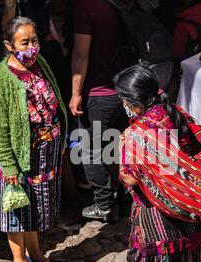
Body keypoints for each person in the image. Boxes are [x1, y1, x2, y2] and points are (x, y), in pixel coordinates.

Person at [114, 64, 201, 262]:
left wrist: (122, 145)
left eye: (123, 100)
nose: (123, 106)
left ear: (133, 101)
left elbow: (129, 176)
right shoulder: (172, 112)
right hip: (189, 213)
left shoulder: (141, 131)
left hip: (159, 223)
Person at [0, 17, 68, 262]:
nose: (32, 46)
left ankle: (36, 253)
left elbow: (53, 95)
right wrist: (8, 166)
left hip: (46, 149)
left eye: (35, 40)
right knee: (18, 207)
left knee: (36, 205)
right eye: (25, 42)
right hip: (20, 155)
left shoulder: (38, 63)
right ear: (9, 45)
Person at [69, 0, 129, 223]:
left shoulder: (85, 6)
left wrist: (75, 93)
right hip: (125, 88)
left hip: (99, 92)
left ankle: (104, 205)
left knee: (90, 150)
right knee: (121, 146)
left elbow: (81, 54)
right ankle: (125, 202)